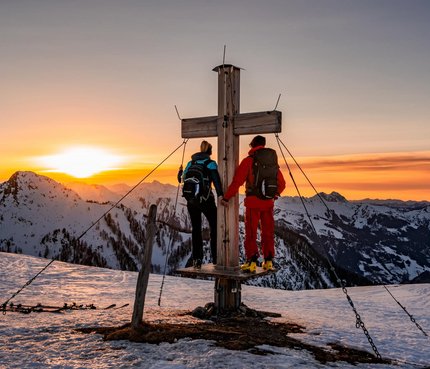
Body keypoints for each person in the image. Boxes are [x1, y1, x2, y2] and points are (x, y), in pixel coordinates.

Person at [221, 135, 286, 273]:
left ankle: (251, 261)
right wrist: (273, 195)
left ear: (252, 145)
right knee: (267, 231)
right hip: (268, 203)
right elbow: (282, 183)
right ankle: (268, 260)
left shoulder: (249, 161)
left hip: (252, 203)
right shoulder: (272, 162)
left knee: (251, 232)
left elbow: (237, 182)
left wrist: (226, 198)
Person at [178, 140, 223, 269]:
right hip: (206, 200)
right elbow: (216, 181)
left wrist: (180, 172)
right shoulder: (210, 164)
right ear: (210, 151)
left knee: (196, 229)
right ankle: (216, 258)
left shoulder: (190, 163)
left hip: (191, 201)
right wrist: (221, 196)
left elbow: (181, 179)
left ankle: (197, 260)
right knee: (214, 227)